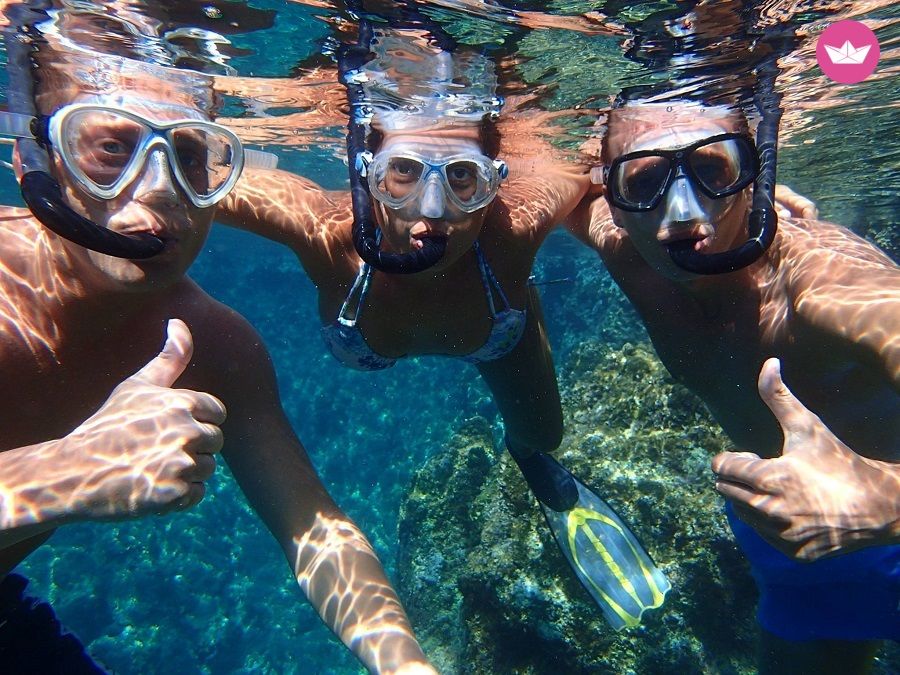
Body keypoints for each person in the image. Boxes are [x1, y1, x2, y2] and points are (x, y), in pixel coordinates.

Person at [0, 8, 433, 672]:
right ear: (38, 156)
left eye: (191, 157)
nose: (158, 189)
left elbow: (315, 528)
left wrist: (404, 662)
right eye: (112, 148)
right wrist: (58, 471)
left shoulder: (215, 344)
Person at [216, 31, 674, 630]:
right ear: (365, 174)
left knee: (543, 436)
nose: (431, 211)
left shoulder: (513, 227)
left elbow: (596, 173)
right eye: (402, 172)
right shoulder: (325, 232)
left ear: (494, 183)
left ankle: (532, 462)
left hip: (496, 330)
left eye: (463, 179)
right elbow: (189, 175)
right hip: (460, 326)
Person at [567, 96, 899, 673]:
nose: (683, 211)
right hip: (786, 534)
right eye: (646, 179)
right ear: (614, 199)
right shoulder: (627, 246)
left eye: (711, 171)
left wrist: (884, 505)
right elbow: (543, 177)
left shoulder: (828, 293)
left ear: (754, 177)